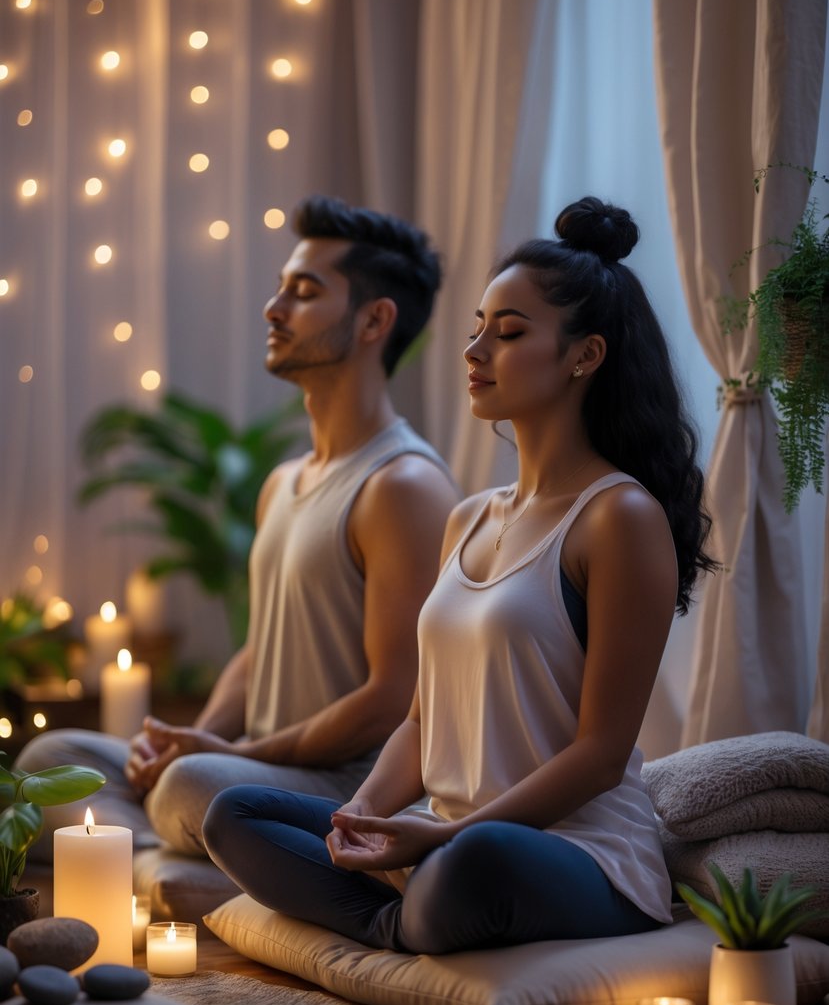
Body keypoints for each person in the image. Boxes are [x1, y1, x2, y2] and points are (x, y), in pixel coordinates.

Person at [203, 195, 717, 954]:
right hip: (442, 836)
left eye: (507, 333)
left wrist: (444, 837)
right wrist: (364, 817)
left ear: (584, 356)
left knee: (469, 863)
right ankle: (399, 922)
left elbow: (601, 755)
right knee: (234, 813)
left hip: (569, 853)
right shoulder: (469, 517)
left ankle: (409, 910)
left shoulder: (619, 517)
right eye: (477, 328)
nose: (475, 350)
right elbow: (420, 721)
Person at [16, 195, 459, 863]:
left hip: (344, 784)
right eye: (281, 288)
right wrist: (185, 740)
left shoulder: (403, 486)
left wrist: (232, 756)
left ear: (375, 319)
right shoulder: (283, 482)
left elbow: (393, 698)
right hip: (252, 766)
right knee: (49, 759)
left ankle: (178, 855)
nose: (274, 308)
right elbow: (259, 653)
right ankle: (187, 858)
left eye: (304, 292)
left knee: (195, 786)